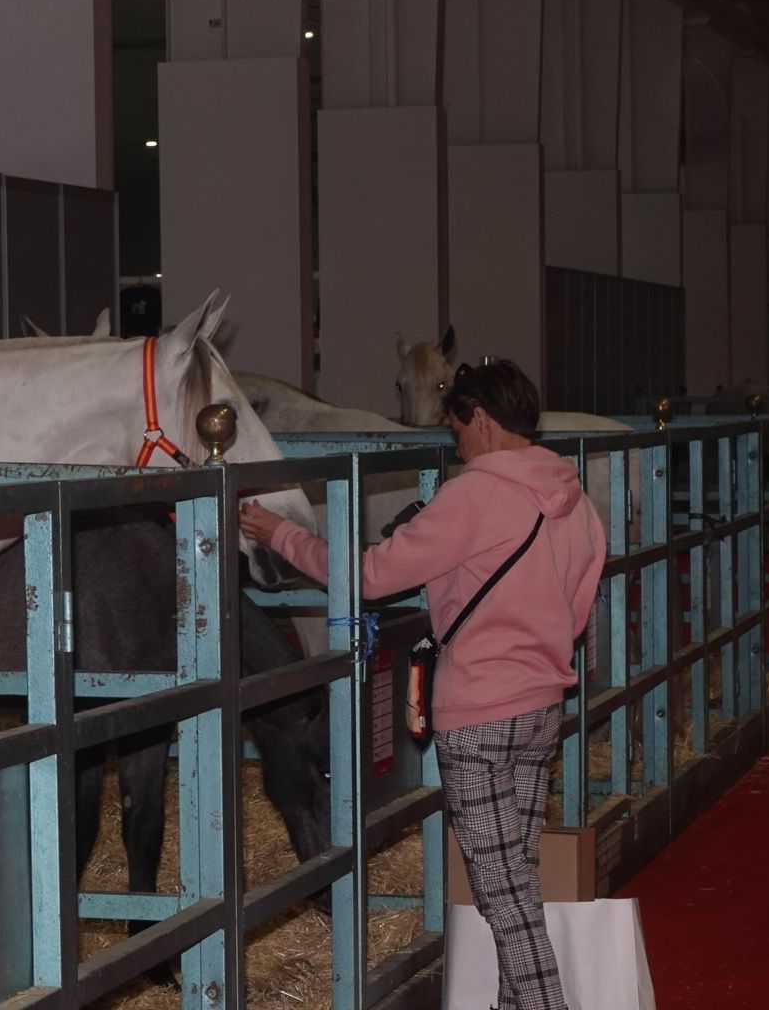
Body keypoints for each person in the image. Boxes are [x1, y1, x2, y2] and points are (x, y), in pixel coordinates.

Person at [241, 360, 605, 1010]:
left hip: (479, 714)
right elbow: (577, 614)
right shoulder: (574, 500)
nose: (455, 442)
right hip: (543, 706)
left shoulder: (474, 495)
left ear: (483, 421)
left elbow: (373, 575)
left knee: (500, 890)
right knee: (515, 875)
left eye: (456, 427)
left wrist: (284, 535)